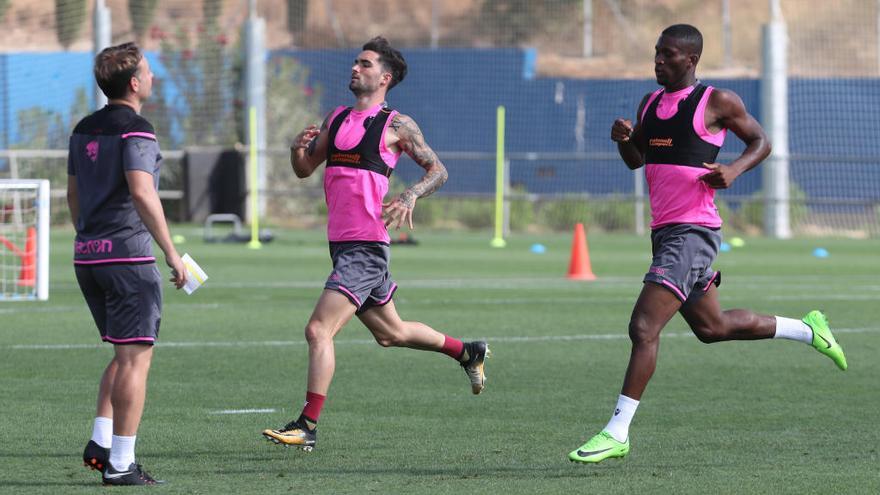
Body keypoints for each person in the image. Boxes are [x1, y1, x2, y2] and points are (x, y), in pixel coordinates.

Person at [568, 24, 847, 464]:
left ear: (691, 59)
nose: (658, 61)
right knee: (711, 329)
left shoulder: (717, 101)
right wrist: (624, 141)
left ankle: (617, 431)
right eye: (656, 53)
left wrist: (734, 170)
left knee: (643, 328)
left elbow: (761, 141)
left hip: (693, 232)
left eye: (668, 55)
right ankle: (808, 328)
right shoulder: (651, 103)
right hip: (666, 234)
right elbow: (637, 161)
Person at [261, 36, 489, 451]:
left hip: (367, 247)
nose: (354, 68)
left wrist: (410, 194)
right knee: (392, 333)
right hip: (342, 246)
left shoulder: (397, 125)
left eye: (364, 64)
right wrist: (296, 149)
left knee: (317, 330)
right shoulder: (336, 118)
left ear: (384, 77)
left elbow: (438, 170)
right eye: (354, 62)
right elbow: (304, 169)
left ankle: (307, 426)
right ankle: (468, 352)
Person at [68, 42, 186, 485]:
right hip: (127, 258)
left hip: (88, 257)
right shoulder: (137, 129)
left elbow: (73, 194)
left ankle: (101, 442)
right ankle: (121, 465)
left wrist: (90, 235)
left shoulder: (83, 128)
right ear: (135, 83)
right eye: (149, 71)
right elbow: (142, 191)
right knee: (136, 359)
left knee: (123, 352)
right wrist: (172, 253)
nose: (153, 77)